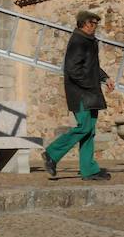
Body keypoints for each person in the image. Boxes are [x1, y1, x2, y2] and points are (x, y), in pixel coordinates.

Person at [42, 10, 114, 181]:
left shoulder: (89, 41)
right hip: (81, 93)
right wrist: (89, 85)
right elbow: (72, 69)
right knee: (84, 127)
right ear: (84, 23)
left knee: (90, 131)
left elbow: (92, 66)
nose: (95, 26)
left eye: (96, 23)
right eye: (92, 23)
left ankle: (88, 170)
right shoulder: (78, 41)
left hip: (90, 92)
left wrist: (105, 77)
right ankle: (52, 153)